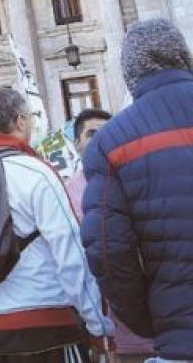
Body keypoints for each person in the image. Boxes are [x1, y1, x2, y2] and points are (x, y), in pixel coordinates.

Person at [0, 90, 113, 362]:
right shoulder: (36, 171)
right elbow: (71, 253)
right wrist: (98, 325)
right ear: (20, 121)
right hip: (45, 323)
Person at [81, 19, 193, 363]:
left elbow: (108, 252)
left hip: (181, 333)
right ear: (184, 56)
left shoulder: (112, 140)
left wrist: (146, 317)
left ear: (128, 70)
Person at [64, 108, 154, 363]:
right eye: (92, 134)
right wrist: (95, 328)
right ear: (77, 143)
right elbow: (73, 267)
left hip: (151, 326)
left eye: (108, 132)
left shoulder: (140, 181)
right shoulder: (64, 194)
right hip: (103, 331)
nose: (101, 139)